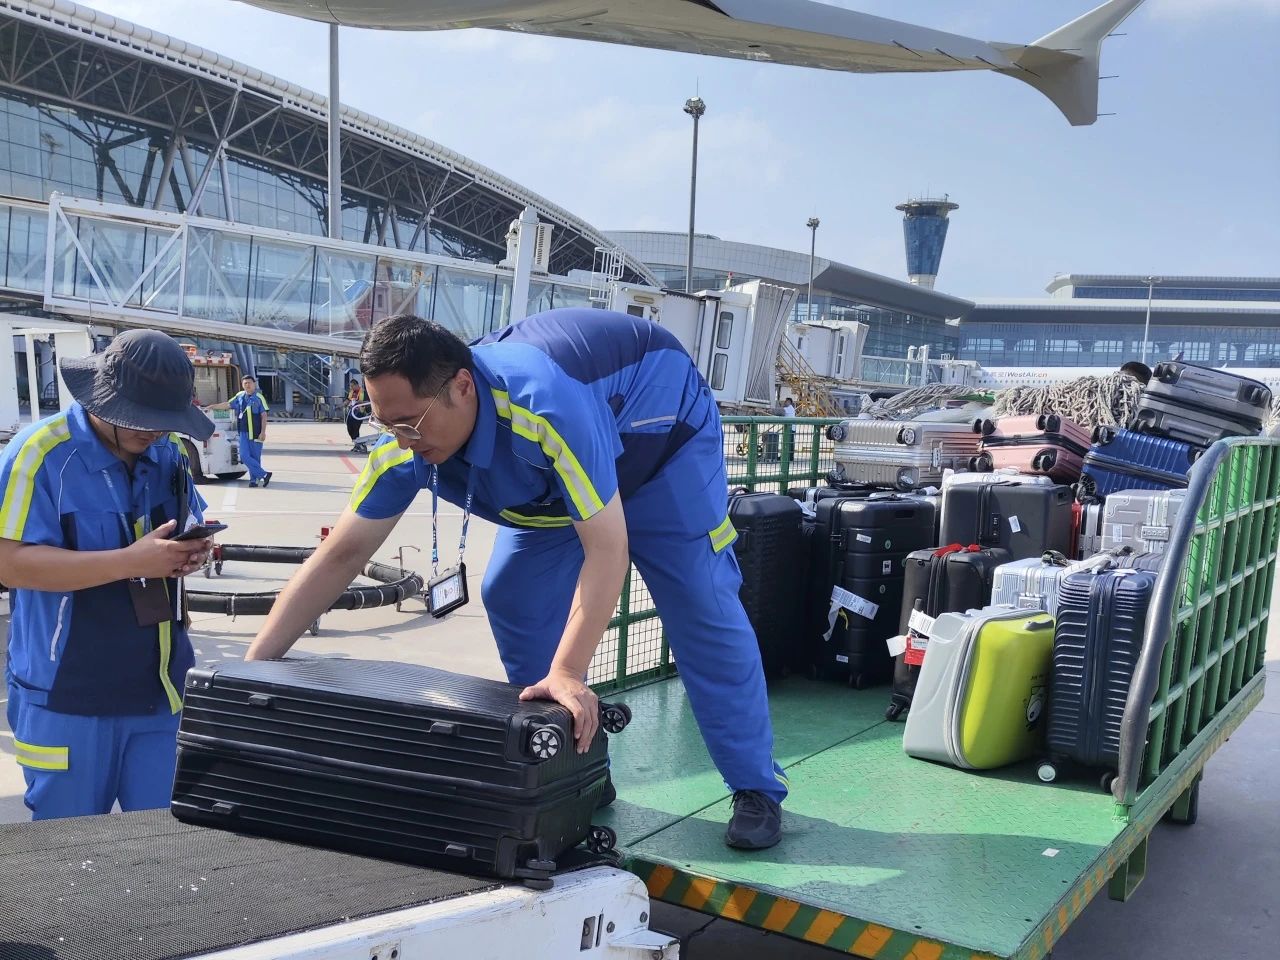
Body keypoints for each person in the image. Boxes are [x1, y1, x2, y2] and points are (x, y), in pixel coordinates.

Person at [244, 310, 788, 849]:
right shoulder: (404, 440)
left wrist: (569, 670)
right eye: (386, 422)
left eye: (410, 422)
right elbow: (343, 554)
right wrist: (252, 671)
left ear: (462, 387)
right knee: (510, 592)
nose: (401, 438)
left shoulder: (545, 407)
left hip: (660, 442)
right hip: (560, 481)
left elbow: (608, 547)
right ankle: (576, 759)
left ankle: (755, 787)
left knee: (698, 602)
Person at [0, 330, 214, 820]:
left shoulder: (168, 455)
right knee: (69, 856)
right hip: (68, 700)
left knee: (167, 850)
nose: (156, 432)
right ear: (104, 400)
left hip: (160, 691)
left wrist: (192, 552)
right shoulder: (39, 456)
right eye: (145, 421)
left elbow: (186, 525)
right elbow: (9, 564)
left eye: (166, 422)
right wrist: (129, 562)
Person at [209, 376, 272, 487]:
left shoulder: (259, 398)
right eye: (245, 383)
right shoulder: (240, 396)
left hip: (256, 433)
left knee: (255, 457)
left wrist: (263, 432)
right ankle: (264, 474)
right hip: (243, 432)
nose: (247, 385)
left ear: (254, 384)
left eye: (249, 383)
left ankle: (254, 480)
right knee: (243, 456)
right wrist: (213, 406)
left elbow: (264, 416)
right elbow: (228, 404)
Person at [345, 379, 366, 451]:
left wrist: (357, 402)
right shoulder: (351, 392)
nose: (351, 388)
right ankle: (356, 442)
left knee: (356, 428)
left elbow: (364, 401)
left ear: (356, 385)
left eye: (352, 386)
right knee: (349, 427)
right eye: (350, 386)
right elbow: (348, 400)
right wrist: (340, 405)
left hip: (359, 412)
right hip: (351, 412)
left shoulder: (362, 392)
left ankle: (357, 444)